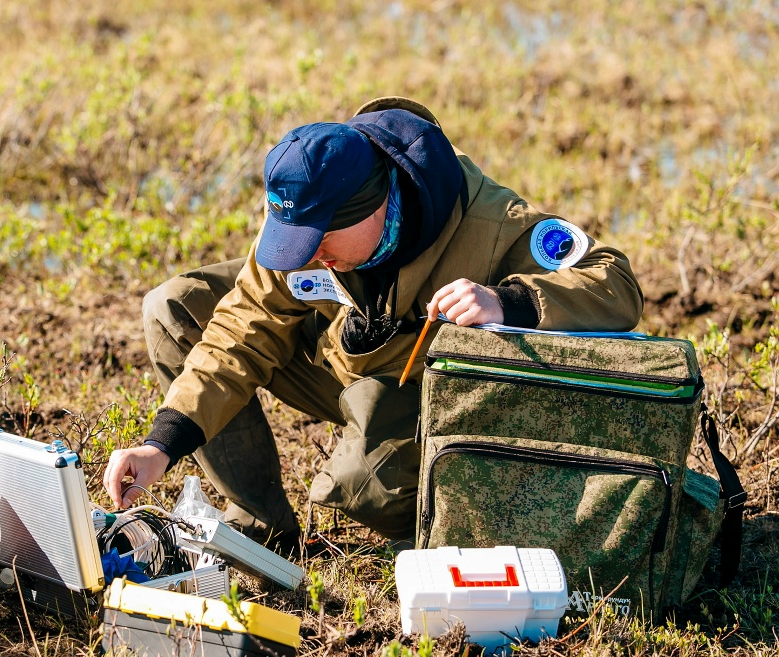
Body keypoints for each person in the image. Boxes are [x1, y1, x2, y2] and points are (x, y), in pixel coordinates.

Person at [103, 97, 643, 553]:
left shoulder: (492, 223)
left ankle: (459, 539)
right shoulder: (304, 218)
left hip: (420, 395)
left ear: (373, 206)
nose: (307, 257)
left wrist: (510, 301)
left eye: (319, 243)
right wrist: (163, 444)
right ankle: (260, 531)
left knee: (361, 483)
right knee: (175, 306)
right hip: (336, 364)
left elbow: (614, 282)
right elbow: (240, 331)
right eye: (295, 242)